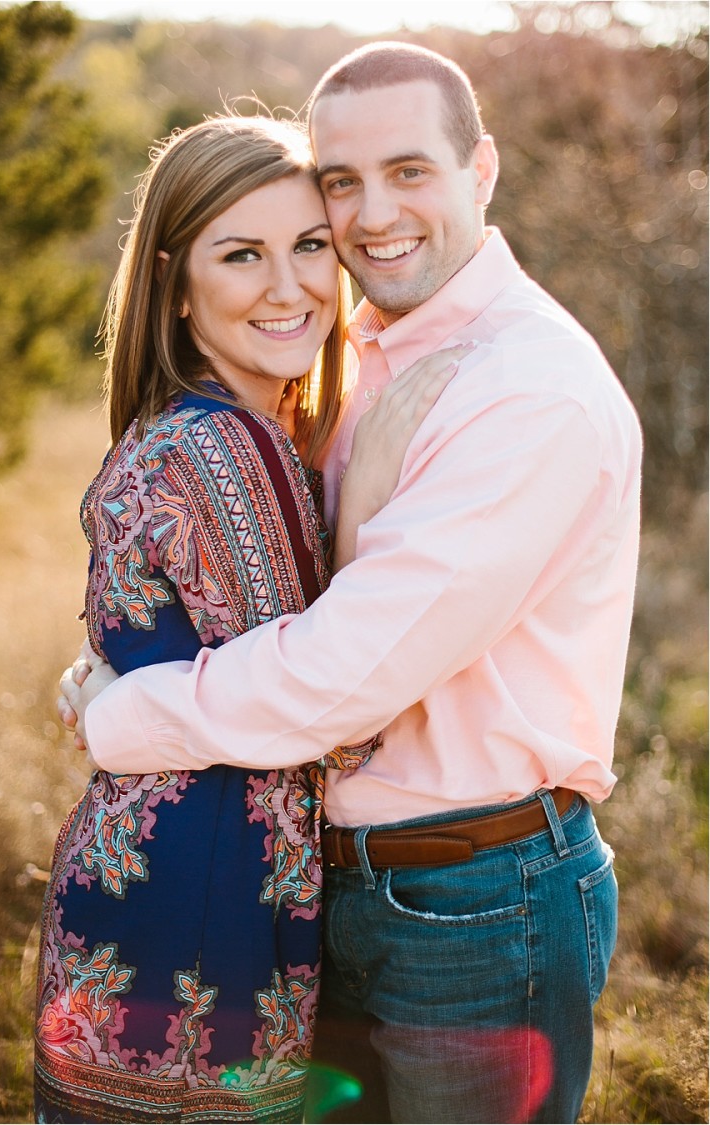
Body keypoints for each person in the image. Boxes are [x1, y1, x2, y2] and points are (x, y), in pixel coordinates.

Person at [60, 43, 641, 1124]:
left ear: (482, 172)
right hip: (340, 886)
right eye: (343, 183)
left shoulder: (525, 389)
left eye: (410, 171)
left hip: (476, 896)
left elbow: (345, 679)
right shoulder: (359, 352)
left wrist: (125, 711)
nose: (375, 214)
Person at [33, 114, 466, 1123]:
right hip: (206, 912)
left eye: (311, 245)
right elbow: (338, 719)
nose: (289, 285)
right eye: (243, 255)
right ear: (177, 285)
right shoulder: (233, 449)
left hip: (141, 886)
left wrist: (111, 690)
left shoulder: (176, 425)